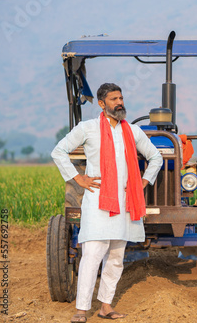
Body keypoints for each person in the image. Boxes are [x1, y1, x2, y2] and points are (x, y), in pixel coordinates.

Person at [52, 83, 163, 323]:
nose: (119, 102)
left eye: (121, 97)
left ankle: (105, 306)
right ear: (102, 104)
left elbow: (156, 157)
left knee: (115, 257)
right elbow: (59, 151)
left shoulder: (132, 131)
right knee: (92, 255)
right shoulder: (88, 128)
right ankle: (81, 310)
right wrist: (77, 177)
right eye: (114, 98)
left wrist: (143, 182)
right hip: (98, 203)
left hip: (125, 204)